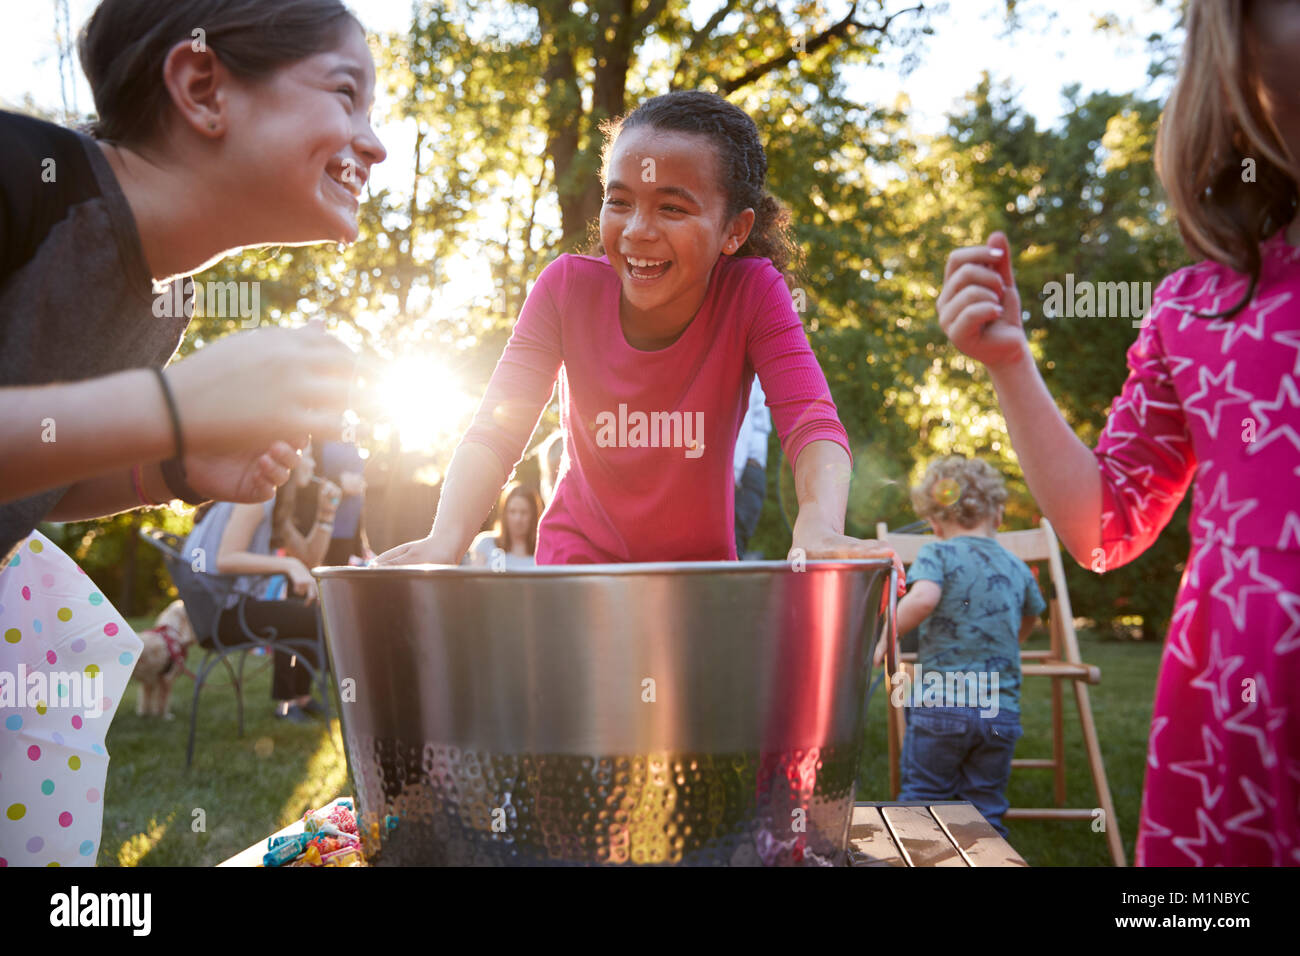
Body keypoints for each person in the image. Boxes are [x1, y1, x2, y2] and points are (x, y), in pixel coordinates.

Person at [0, 0, 385, 867]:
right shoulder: (18, 176)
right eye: (345, 93)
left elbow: (30, 485)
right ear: (203, 86)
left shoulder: (160, 300)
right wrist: (169, 410)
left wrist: (166, 469)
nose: (375, 142)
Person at [936, 0, 1299, 864]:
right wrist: (1010, 366)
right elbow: (1106, 528)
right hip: (1230, 746)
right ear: (1236, 42)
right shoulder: (1197, 308)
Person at [376, 91, 901, 577]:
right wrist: (446, 538)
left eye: (672, 208)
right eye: (620, 201)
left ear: (734, 231)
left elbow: (811, 423)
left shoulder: (752, 292)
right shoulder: (565, 289)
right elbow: (495, 433)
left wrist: (820, 524)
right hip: (575, 570)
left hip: (698, 578)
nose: (637, 231)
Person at [873, 457, 1045, 838]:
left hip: (941, 707)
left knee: (923, 803)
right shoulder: (1016, 565)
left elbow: (922, 601)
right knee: (984, 810)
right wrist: (1009, 643)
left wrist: (881, 641)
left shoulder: (938, 553)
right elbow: (1034, 613)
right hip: (999, 713)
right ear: (998, 514)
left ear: (934, 521)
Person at [184, 441, 339, 722]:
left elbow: (309, 559)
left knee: (302, 608)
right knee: (319, 618)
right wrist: (288, 564)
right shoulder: (256, 499)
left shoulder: (273, 505)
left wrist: (326, 515)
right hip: (221, 616)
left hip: (227, 612)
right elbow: (225, 559)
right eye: (309, 458)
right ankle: (356, 698)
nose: (314, 465)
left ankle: (298, 699)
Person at [733, 376, 772, 556]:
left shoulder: (741, 371)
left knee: (731, 552)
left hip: (743, 473)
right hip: (747, 470)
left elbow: (742, 423)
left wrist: (733, 473)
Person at [465, 482, 541, 569]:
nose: (518, 518)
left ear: (534, 515)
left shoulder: (543, 549)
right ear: (504, 513)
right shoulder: (486, 543)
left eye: (524, 512)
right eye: (512, 511)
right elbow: (475, 580)